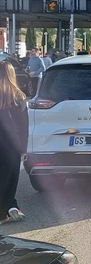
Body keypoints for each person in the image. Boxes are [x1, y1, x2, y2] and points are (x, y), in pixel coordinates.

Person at [0, 61, 28, 224]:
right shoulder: (19, 97)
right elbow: (24, 126)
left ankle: (10, 207)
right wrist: (23, 149)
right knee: (10, 179)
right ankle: (7, 208)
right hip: (12, 146)